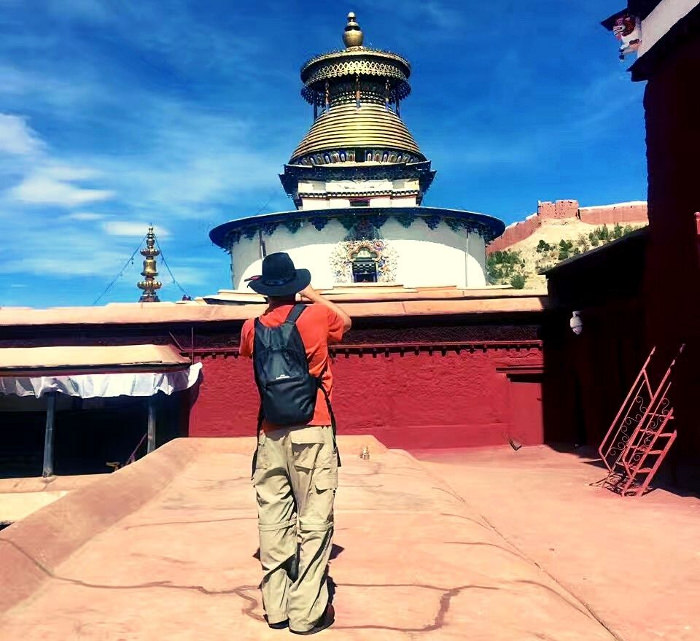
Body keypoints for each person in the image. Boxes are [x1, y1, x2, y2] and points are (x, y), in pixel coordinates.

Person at [239, 252, 352, 635]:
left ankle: (277, 609)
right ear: (294, 285)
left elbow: (250, 356)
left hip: (269, 433)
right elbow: (347, 322)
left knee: (273, 521)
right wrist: (312, 294)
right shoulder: (316, 316)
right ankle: (306, 613)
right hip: (312, 428)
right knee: (314, 521)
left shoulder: (251, 327)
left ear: (264, 290)